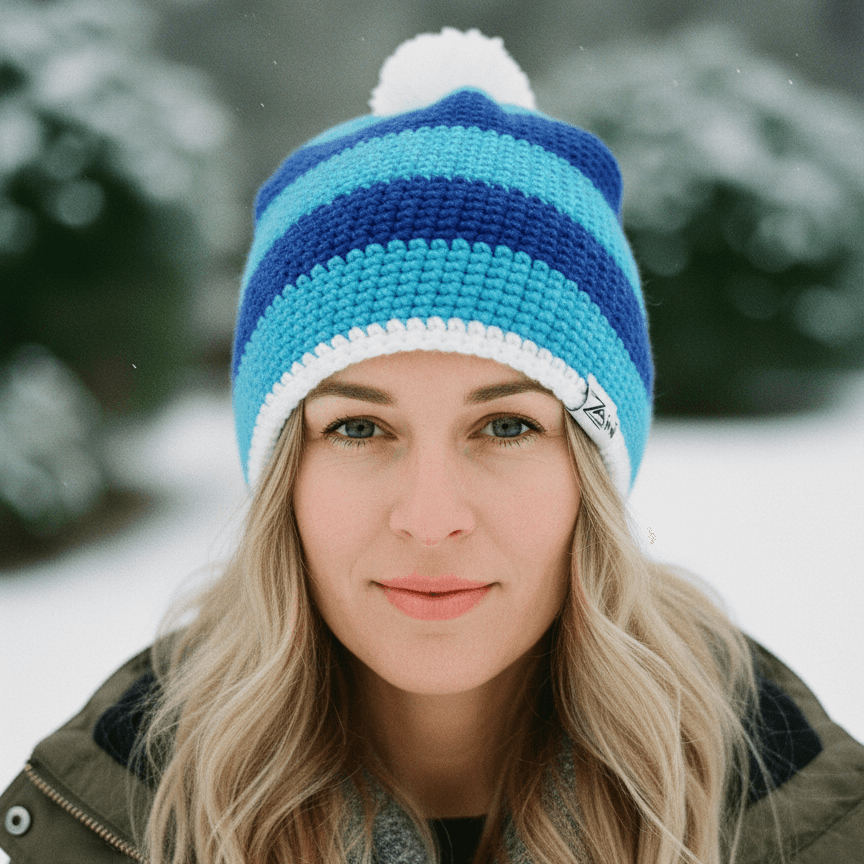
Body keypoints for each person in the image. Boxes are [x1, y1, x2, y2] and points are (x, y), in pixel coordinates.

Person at [1, 27, 862, 864]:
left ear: (591, 473)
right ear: (282, 478)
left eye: (507, 425)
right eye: (359, 427)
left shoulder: (793, 818)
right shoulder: (115, 813)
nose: (431, 517)